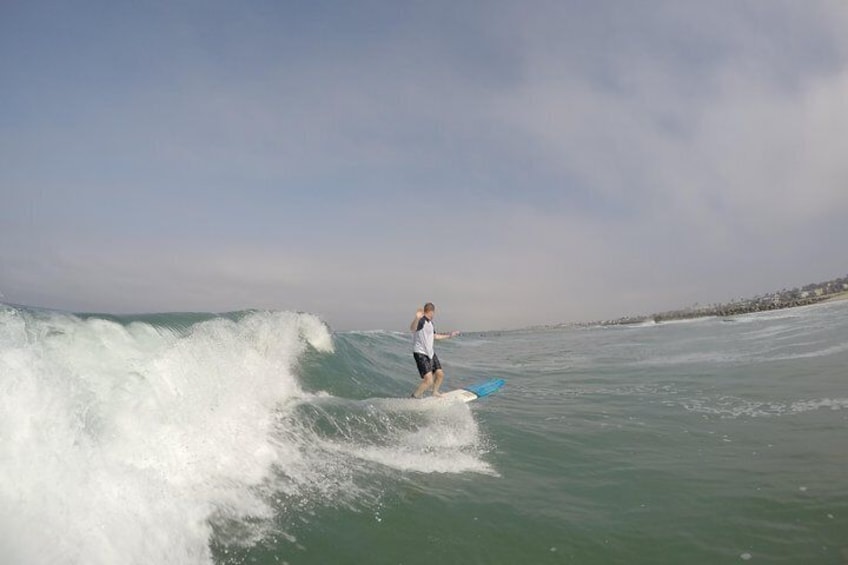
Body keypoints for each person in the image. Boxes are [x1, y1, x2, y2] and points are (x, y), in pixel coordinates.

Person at [410, 302, 459, 398]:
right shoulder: (421, 321)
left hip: (430, 353)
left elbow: (435, 336)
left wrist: (449, 335)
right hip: (420, 353)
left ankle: (435, 392)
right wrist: (416, 318)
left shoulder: (430, 323)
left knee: (440, 374)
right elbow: (412, 328)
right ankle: (414, 397)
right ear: (432, 312)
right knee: (428, 381)